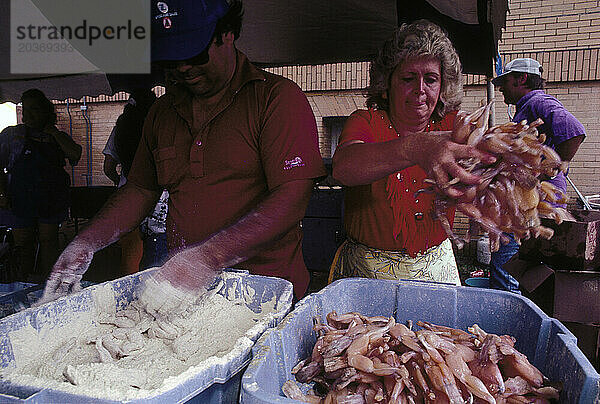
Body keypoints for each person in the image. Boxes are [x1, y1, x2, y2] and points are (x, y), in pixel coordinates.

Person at [39, 0, 326, 309]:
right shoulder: (162, 112)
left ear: (227, 34)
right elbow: (140, 189)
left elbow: (292, 198)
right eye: (170, 58)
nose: (182, 68)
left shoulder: (276, 98)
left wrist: (208, 257)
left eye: (193, 53)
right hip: (186, 298)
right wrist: (87, 242)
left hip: (264, 295)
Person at [329, 20, 494, 285]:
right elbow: (344, 168)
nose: (420, 90)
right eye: (408, 78)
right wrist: (417, 147)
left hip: (436, 271)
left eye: (431, 79)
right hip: (367, 275)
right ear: (387, 84)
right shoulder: (365, 122)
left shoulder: (454, 127)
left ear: (442, 87)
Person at [489, 57, 585, 292]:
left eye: (506, 81)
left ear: (522, 79)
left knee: (507, 259)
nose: (501, 88)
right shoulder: (527, 106)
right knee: (527, 263)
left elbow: (574, 130)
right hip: (531, 197)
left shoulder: (537, 101)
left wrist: (551, 168)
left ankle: (504, 309)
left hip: (535, 198)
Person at [0, 89, 82, 282]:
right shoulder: (12, 135)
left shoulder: (56, 136)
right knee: (22, 244)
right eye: (25, 110)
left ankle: (48, 288)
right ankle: (20, 286)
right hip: (20, 198)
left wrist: (53, 132)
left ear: (46, 111)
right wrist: (2, 194)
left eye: (34, 109)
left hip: (50, 199)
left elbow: (75, 154)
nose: (28, 115)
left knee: (48, 242)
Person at [102, 88, 166, 274]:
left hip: (129, 198)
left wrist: (121, 183)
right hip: (160, 201)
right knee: (156, 260)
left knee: (130, 256)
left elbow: (108, 168)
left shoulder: (121, 129)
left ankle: (129, 295)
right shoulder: (162, 127)